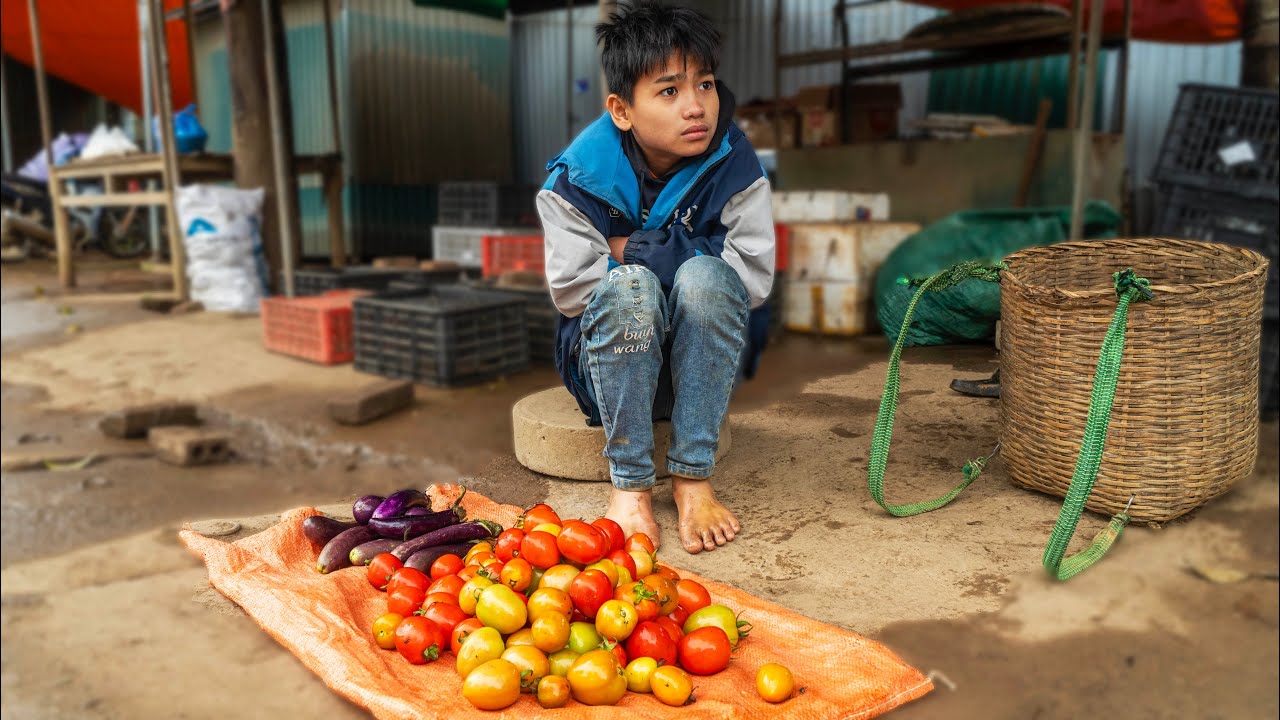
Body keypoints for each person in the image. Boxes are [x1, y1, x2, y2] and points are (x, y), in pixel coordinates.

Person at [537, 0, 775, 554]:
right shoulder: (575, 179)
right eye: (669, 91)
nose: (696, 107)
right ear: (622, 110)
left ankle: (692, 476)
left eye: (706, 84)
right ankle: (631, 488)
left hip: (694, 376)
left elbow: (752, 278)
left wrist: (638, 249)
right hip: (605, 378)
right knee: (628, 290)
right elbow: (575, 288)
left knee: (708, 281)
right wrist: (675, 259)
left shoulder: (735, 165)